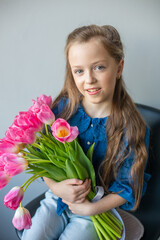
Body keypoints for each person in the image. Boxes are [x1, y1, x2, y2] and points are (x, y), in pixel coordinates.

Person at [22, 25, 150, 240]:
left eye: (99, 67)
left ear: (119, 68)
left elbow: (129, 185)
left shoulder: (132, 126)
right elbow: (43, 159)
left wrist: (90, 210)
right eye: (79, 70)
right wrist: (56, 187)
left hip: (99, 206)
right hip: (58, 198)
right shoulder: (62, 111)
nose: (89, 79)